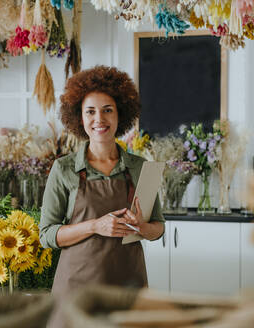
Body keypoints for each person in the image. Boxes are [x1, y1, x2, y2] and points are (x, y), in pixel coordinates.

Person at [39, 66, 165, 327]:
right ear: (79, 117)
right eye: (91, 111)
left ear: (120, 115)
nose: (100, 119)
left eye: (108, 109)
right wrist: (96, 225)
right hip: (76, 290)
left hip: (127, 289)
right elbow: (47, 235)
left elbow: (158, 228)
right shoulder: (63, 169)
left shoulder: (143, 168)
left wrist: (141, 227)